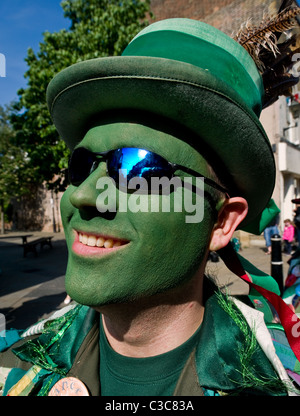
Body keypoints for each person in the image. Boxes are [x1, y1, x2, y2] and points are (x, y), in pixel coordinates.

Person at [1, 13, 300, 397]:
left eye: (138, 167)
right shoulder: (18, 368)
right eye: (82, 165)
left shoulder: (269, 381)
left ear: (221, 222)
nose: (81, 195)